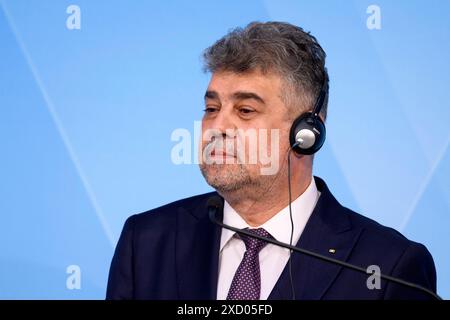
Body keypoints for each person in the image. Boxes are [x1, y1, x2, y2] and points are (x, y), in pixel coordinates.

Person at [106, 21, 437, 300]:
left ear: (306, 134)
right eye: (211, 109)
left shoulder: (388, 266)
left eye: (245, 110)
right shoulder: (146, 242)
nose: (216, 128)